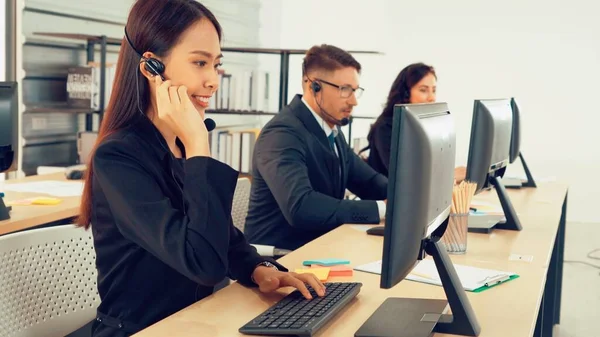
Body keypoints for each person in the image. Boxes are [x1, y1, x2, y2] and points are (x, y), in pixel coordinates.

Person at [75, 1, 324, 336]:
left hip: (194, 321)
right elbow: (203, 264)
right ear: (151, 67)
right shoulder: (119, 157)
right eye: (199, 62)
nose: (212, 80)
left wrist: (259, 269)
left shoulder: (178, 144)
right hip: (141, 331)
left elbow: (220, 236)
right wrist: (197, 145)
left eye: (216, 65)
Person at [244, 44, 388, 251]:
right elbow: (302, 207)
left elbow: (369, 181)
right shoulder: (282, 134)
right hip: (279, 258)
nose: (354, 101)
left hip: (320, 247)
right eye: (345, 90)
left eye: (355, 91)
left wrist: (405, 198)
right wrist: (383, 208)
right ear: (313, 87)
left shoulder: (331, 131)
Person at [366, 62, 466, 181]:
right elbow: (405, 176)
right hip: (390, 198)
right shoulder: (385, 128)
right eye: (423, 90)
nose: (431, 97)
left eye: (434, 90)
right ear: (406, 93)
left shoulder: (424, 127)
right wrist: (450, 175)